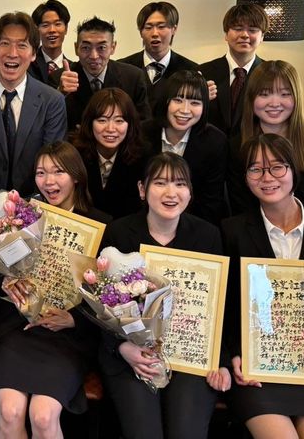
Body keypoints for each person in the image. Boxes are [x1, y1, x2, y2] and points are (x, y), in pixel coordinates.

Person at [222, 134, 304, 439]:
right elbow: (224, 306)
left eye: (277, 167)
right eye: (256, 169)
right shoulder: (231, 231)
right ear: (245, 178)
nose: (267, 178)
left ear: (294, 170)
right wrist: (232, 355)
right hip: (256, 365)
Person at [98, 152, 228, 439]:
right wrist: (122, 348)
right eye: (160, 183)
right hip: (133, 355)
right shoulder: (119, 232)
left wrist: (223, 361)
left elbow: (221, 306)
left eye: (180, 184)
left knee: (186, 432)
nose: (171, 193)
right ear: (142, 189)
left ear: (190, 192)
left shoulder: (208, 236)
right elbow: (99, 303)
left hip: (190, 357)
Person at [0, 141, 110, 439]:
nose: (48, 181)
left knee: (43, 416)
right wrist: (5, 280)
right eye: (41, 172)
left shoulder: (100, 226)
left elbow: (109, 300)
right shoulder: (21, 217)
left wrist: (74, 320)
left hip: (67, 338)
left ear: (76, 176)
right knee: (10, 411)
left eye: (58, 172)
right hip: (19, 329)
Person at [0, 11, 67, 215]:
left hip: (33, 207)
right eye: (4, 43)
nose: (12, 53)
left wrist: (26, 211)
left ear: (34, 54)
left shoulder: (52, 100)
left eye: (22, 45)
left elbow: (52, 163)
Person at [228, 60, 304, 218]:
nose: (274, 103)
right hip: (254, 231)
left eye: (285, 94)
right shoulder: (236, 145)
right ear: (251, 98)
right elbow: (239, 207)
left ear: (296, 97)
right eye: (264, 94)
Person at [142, 70, 228, 225]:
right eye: (178, 100)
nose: (185, 110)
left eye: (195, 103)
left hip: (194, 224)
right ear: (166, 101)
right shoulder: (143, 133)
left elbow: (211, 200)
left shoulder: (215, 141)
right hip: (145, 220)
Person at [52, 16, 151, 129]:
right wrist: (60, 94)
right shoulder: (58, 78)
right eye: (86, 48)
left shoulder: (133, 77)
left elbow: (144, 125)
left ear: (113, 47)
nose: (94, 56)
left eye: (102, 48)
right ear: (76, 48)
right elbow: (49, 122)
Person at [72, 88, 147, 219]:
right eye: (102, 120)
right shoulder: (74, 153)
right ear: (90, 123)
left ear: (130, 124)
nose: (111, 129)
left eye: (119, 121)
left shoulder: (144, 157)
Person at [198, 4, 267, 135]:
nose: (245, 35)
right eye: (238, 29)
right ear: (226, 34)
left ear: (262, 36)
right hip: (211, 145)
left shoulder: (270, 75)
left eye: (252, 30)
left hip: (254, 145)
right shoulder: (203, 72)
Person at [119, 1, 198, 114]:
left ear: (174, 29)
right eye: (148, 27)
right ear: (140, 32)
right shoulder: (122, 68)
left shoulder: (191, 70)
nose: (155, 33)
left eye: (161, 27)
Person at [28, 0, 74, 84]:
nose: (52, 30)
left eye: (57, 24)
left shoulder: (74, 70)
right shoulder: (27, 65)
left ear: (66, 28)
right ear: (36, 30)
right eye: (45, 25)